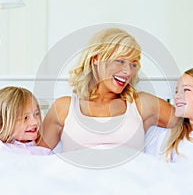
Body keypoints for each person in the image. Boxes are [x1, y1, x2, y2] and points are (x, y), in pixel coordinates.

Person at [38, 27, 177, 152]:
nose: (128, 71)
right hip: (78, 179)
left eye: (133, 64)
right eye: (120, 61)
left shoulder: (141, 103)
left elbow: (191, 124)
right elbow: (35, 156)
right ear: (96, 58)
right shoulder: (63, 107)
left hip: (129, 179)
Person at [0, 86, 52, 155]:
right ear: (1, 124)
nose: (35, 122)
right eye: (25, 118)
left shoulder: (43, 151)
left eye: (36, 114)